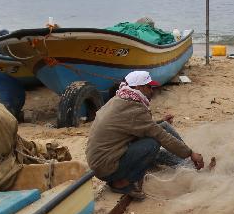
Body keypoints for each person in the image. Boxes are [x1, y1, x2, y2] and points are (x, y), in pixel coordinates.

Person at [86, 71, 205, 200]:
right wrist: (190, 152)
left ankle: (186, 162)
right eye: (149, 87)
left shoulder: (120, 99)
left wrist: (161, 121)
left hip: (100, 161)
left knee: (163, 127)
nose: (152, 90)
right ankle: (122, 183)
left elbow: (143, 125)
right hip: (106, 167)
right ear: (139, 88)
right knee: (152, 144)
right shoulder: (133, 108)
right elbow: (160, 136)